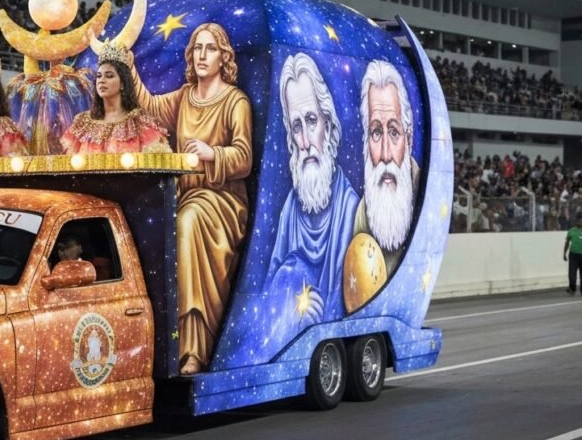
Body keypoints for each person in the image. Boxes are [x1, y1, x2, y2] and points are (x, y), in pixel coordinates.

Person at [130, 22, 252, 374]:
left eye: (210, 48)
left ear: (223, 56)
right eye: (197, 48)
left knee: (188, 222)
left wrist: (212, 154)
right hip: (186, 195)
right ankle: (172, 341)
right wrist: (128, 67)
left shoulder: (235, 101)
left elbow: (244, 157)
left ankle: (194, 349)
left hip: (222, 202)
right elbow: (149, 107)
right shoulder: (185, 97)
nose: (202, 55)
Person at [262, 52, 358, 345]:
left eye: (311, 121)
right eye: (296, 126)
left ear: (328, 124)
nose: (304, 141)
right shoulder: (291, 209)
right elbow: (270, 298)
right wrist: (292, 309)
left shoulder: (350, 209)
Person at [353, 60, 420, 275]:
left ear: (408, 139)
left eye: (393, 132)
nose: (385, 154)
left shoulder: (425, 192)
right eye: (376, 132)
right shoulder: (363, 213)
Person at [60, 42, 168, 155]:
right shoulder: (82, 124)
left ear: (122, 83)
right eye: (99, 76)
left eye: (109, 76)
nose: (102, 80)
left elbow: (156, 160)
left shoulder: (139, 124)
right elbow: (68, 162)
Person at [564, 213, 582, 295]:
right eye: (579, 220)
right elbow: (567, 242)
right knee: (572, 274)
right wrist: (564, 253)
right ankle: (572, 288)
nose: (580, 222)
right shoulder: (571, 230)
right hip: (573, 255)